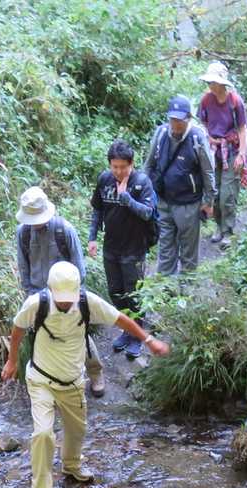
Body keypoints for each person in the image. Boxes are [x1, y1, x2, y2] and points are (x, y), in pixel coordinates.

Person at [1, 264, 169, 488]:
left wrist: (149, 340)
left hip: (73, 381)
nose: (65, 303)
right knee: (43, 433)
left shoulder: (87, 302)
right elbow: (18, 328)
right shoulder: (36, 304)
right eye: (61, 298)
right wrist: (12, 360)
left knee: (76, 430)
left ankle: (72, 466)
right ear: (51, 290)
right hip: (41, 379)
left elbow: (121, 319)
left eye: (69, 298)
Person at [15, 186, 107, 396]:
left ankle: (95, 373)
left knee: (80, 333)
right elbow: (23, 267)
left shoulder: (63, 230)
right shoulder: (23, 233)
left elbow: (79, 268)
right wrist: (30, 295)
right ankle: (52, 380)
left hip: (67, 293)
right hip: (38, 294)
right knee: (45, 337)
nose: (35, 223)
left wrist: (74, 296)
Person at [87, 139, 159, 362]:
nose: (118, 171)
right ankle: (128, 330)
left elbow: (147, 213)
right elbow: (98, 210)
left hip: (134, 249)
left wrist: (126, 198)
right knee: (115, 292)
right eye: (114, 167)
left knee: (134, 294)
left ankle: (138, 335)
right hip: (111, 247)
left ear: (132, 164)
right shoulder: (104, 180)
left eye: (123, 167)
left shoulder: (142, 182)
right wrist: (92, 238)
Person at [143, 96, 215, 277]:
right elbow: (149, 164)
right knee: (165, 245)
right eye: (172, 119)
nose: (175, 124)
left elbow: (208, 171)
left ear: (188, 118)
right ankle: (166, 286)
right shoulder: (161, 133)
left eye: (179, 120)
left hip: (188, 204)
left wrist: (209, 201)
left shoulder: (197, 137)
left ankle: (188, 285)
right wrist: (145, 191)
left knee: (188, 247)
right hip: (163, 201)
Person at [196, 62, 247, 251]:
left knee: (228, 193)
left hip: (232, 150)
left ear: (222, 83)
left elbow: (242, 129)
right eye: (209, 81)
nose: (210, 85)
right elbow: (202, 122)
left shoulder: (235, 101)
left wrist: (241, 155)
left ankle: (228, 231)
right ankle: (219, 226)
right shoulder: (206, 100)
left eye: (213, 81)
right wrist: (208, 137)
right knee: (215, 192)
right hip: (213, 151)